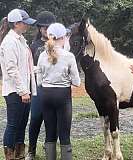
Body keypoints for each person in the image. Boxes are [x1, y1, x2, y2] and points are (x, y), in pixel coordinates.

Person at [37, 23, 80, 160]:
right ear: (63, 38)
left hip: (46, 95)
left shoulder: (42, 55)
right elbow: (77, 82)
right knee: (64, 134)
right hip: (63, 96)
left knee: (50, 132)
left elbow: (39, 80)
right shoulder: (69, 56)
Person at [0, 9, 37, 160]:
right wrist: (23, 91)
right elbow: (11, 69)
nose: (27, 26)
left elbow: (25, 66)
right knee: (13, 125)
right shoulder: (9, 42)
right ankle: (10, 157)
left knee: (22, 125)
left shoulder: (21, 40)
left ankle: (19, 155)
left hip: (24, 89)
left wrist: (45, 67)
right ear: (16, 24)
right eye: (25, 23)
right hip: (15, 91)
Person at [26, 11, 56, 160]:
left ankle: (49, 148)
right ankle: (31, 150)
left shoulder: (59, 45)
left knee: (52, 120)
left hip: (54, 87)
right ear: (39, 28)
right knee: (36, 118)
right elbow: (29, 68)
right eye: (43, 27)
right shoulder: (33, 46)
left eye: (48, 26)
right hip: (38, 87)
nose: (45, 29)